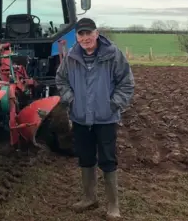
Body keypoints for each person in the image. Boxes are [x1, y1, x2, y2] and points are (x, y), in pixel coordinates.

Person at [55, 18, 134, 220]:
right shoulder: (71, 57)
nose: (85, 38)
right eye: (81, 34)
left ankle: (113, 205)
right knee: (85, 157)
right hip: (81, 118)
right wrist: (71, 100)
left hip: (105, 118)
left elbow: (126, 82)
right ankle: (89, 198)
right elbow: (61, 80)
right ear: (77, 37)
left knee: (108, 159)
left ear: (96, 33)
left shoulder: (112, 54)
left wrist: (113, 104)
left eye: (89, 33)